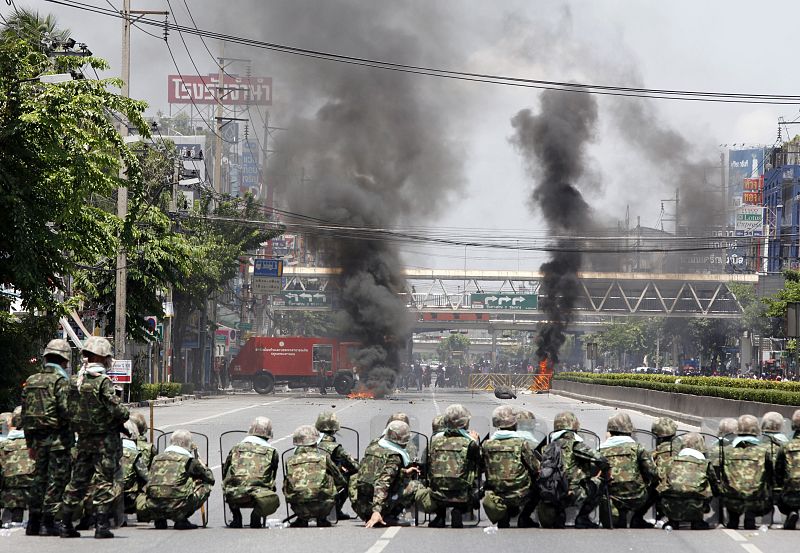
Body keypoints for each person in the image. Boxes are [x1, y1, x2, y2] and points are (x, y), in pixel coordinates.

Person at [60, 337, 129, 539]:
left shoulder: (75, 381)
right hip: (104, 442)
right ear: (101, 357)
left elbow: (66, 408)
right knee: (103, 481)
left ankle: (65, 524)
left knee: (77, 481)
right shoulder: (102, 382)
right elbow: (119, 411)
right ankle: (101, 525)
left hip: (83, 440)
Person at [20, 338, 74, 536]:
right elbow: (66, 411)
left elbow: (24, 414)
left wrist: (29, 443)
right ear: (64, 360)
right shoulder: (60, 381)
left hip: (37, 439)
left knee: (38, 479)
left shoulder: (31, 380)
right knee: (56, 480)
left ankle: (33, 522)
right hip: (58, 439)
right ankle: (48, 522)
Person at [537, 411, 608, 529]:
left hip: (551, 492)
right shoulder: (575, 445)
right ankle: (582, 518)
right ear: (574, 427)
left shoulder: (547, 447)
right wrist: (605, 471)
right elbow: (602, 459)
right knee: (600, 483)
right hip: (572, 493)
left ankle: (558, 515)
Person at [350, 421, 423, 528]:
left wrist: (404, 472)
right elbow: (383, 483)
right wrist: (376, 511)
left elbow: (374, 473)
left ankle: (371, 514)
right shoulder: (394, 456)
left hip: (362, 506)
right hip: (377, 507)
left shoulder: (373, 446)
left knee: (354, 478)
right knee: (415, 485)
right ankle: (389, 516)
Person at [422, 404, 482, 528]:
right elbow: (480, 465)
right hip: (462, 493)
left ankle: (440, 515)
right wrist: (475, 442)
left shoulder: (435, 442)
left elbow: (426, 466)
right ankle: (459, 510)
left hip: (437, 493)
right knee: (480, 483)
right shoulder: (469, 443)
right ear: (465, 423)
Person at [142, 429, 214, 530]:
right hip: (177, 506)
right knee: (206, 486)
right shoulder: (188, 460)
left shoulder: (156, 458)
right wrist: (200, 462)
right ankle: (181, 519)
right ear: (187, 444)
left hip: (154, 505)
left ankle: (160, 519)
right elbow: (210, 478)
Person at [481, 405, 540, 528]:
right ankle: (524, 517)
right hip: (520, 492)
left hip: (497, 492)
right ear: (515, 423)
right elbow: (535, 468)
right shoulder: (521, 443)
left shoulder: (487, 444)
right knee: (539, 487)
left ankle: (504, 513)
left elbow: (481, 467)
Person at [599, 413, 659, 528]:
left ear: (610, 431)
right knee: (657, 484)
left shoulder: (600, 449)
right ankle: (638, 517)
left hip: (611, 496)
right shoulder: (638, 448)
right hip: (637, 496)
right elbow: (653, 473)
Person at [283, 425, 347, 527]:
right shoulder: (324, 457)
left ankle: (302, 519)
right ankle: (322, 518)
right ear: (315, 442)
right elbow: (339, 478)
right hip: (324, 505)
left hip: (298, 506)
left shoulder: (290, 460)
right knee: (330, 477)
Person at [222, 417, 280, 528]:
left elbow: (225, 471)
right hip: (260, 495)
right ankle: (256, 516)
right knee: (273, 496)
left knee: (228, 482)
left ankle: (236, 517)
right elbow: (273, 475)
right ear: (268, 434)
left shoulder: (236, 448)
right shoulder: (272, 451)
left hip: (234, 494)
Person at [721, 414, 773, 530]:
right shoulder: (764, 451)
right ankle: (750, 517)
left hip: (731, 500)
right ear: (756, 430)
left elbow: (720, 474)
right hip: (756, 500)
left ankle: (733, 519)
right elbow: (770, 474)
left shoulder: (727, 450)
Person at [657, 432, 719, 529]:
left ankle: (673, 521)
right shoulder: (705, 463)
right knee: (707, 486)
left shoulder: (671, 461)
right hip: (696, 504)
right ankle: (697, 521)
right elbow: (714, 482)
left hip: (671, 503)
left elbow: (661, 478)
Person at [315, 411, 359, 520]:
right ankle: (337, 510)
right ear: (334, 429)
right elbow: (354, 466)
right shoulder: (335, 447)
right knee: (351, 475)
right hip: (326, 484)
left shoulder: (309, 443)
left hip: (307, 485)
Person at [0, 408, 35, 525]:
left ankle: (9, 520)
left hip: (11, 484)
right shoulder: (38, 441)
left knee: (12, 502)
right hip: (34, 482)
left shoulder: (5, 442)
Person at [775, 409, 800, 530]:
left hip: (791, 494)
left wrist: (781, 485)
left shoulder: (785, 446)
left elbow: (778, 471)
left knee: (780, 496)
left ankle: (791, 511)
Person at [120, 420, 148, 519]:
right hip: (128, 496)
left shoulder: (110, 451)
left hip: (106, 492)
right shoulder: (134, 454)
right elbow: (146, 476)